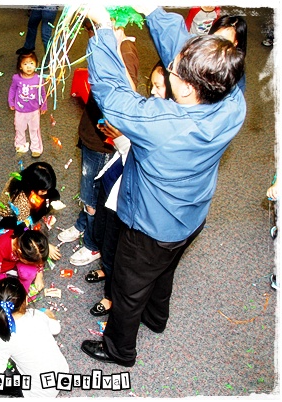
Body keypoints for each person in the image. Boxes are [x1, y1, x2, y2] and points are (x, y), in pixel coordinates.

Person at [80, 5, 245, 367]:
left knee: (127, 288)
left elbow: (113, 94)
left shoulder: (163, 122)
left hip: (150, 228)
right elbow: (189, 56)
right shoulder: (232, 101)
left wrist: (103, 30)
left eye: (172, 70)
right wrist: (153, 11)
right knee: (164, 269)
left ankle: (119, 350)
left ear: (186, 87)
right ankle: (156, 318)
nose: (171, 67)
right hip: (189, 217)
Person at [89, 62, 171, 318]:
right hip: (113, 181)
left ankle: (111, 295)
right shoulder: (151, 111)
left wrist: (120, 138)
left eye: (159, 86)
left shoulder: (168, 126)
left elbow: (139, 158)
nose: (153, 91)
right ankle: (105, 268)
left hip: (127, 196)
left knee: (115, 246)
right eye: (152, 85)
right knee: (102, 233)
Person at [58, 19, 139, 269]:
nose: (90, 36)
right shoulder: (109, 46)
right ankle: (83, 225)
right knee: (87, 192)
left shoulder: (124, 53)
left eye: (93, 30)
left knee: (92, 197)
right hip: (91, 132)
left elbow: (124, 99)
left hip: (102, 142)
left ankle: (93, 244)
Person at [0, 277, 69, 398]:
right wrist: (50, 317)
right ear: (26, 300)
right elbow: (56, 328)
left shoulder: (3, 338)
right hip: (63, 375)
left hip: (40, 394)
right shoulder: (37, 315)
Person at [0, 162, 62, 262]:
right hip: (12, 219)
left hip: (27, 206)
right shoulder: (21, 202)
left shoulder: (27, 177)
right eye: (43, 190)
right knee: (29, 228)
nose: (46, 193)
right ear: (33, 186)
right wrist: (45, 245)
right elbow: (23, 228)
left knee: (54, 195)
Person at [0, 225, 49, 304]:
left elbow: (39, 259)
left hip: (14, 263)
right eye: (30, 262)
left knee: (29, 273)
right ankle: (4, 278)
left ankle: (23, 292)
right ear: (19, 252)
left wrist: (39, 274)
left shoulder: (29, 242)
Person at [8, 51, 47, 158]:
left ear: (36, 65)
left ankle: (36, 148)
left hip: (34, 110)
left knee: (34, 129)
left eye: (31, 63)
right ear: (20, 66)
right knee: (19, 128)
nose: (28, 67)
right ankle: (20, 145)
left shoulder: (38, 79)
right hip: (20, 110)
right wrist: (11, 101)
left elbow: (43, 93)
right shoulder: (16, 78)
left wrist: (44, 105)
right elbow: (12, 90)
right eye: (25, 64)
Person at [208, 15, 247, 93]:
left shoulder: (235, 78)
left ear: (235, 43)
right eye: (215, 37)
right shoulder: (196, 51)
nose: (217, 44)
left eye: (224, 41)